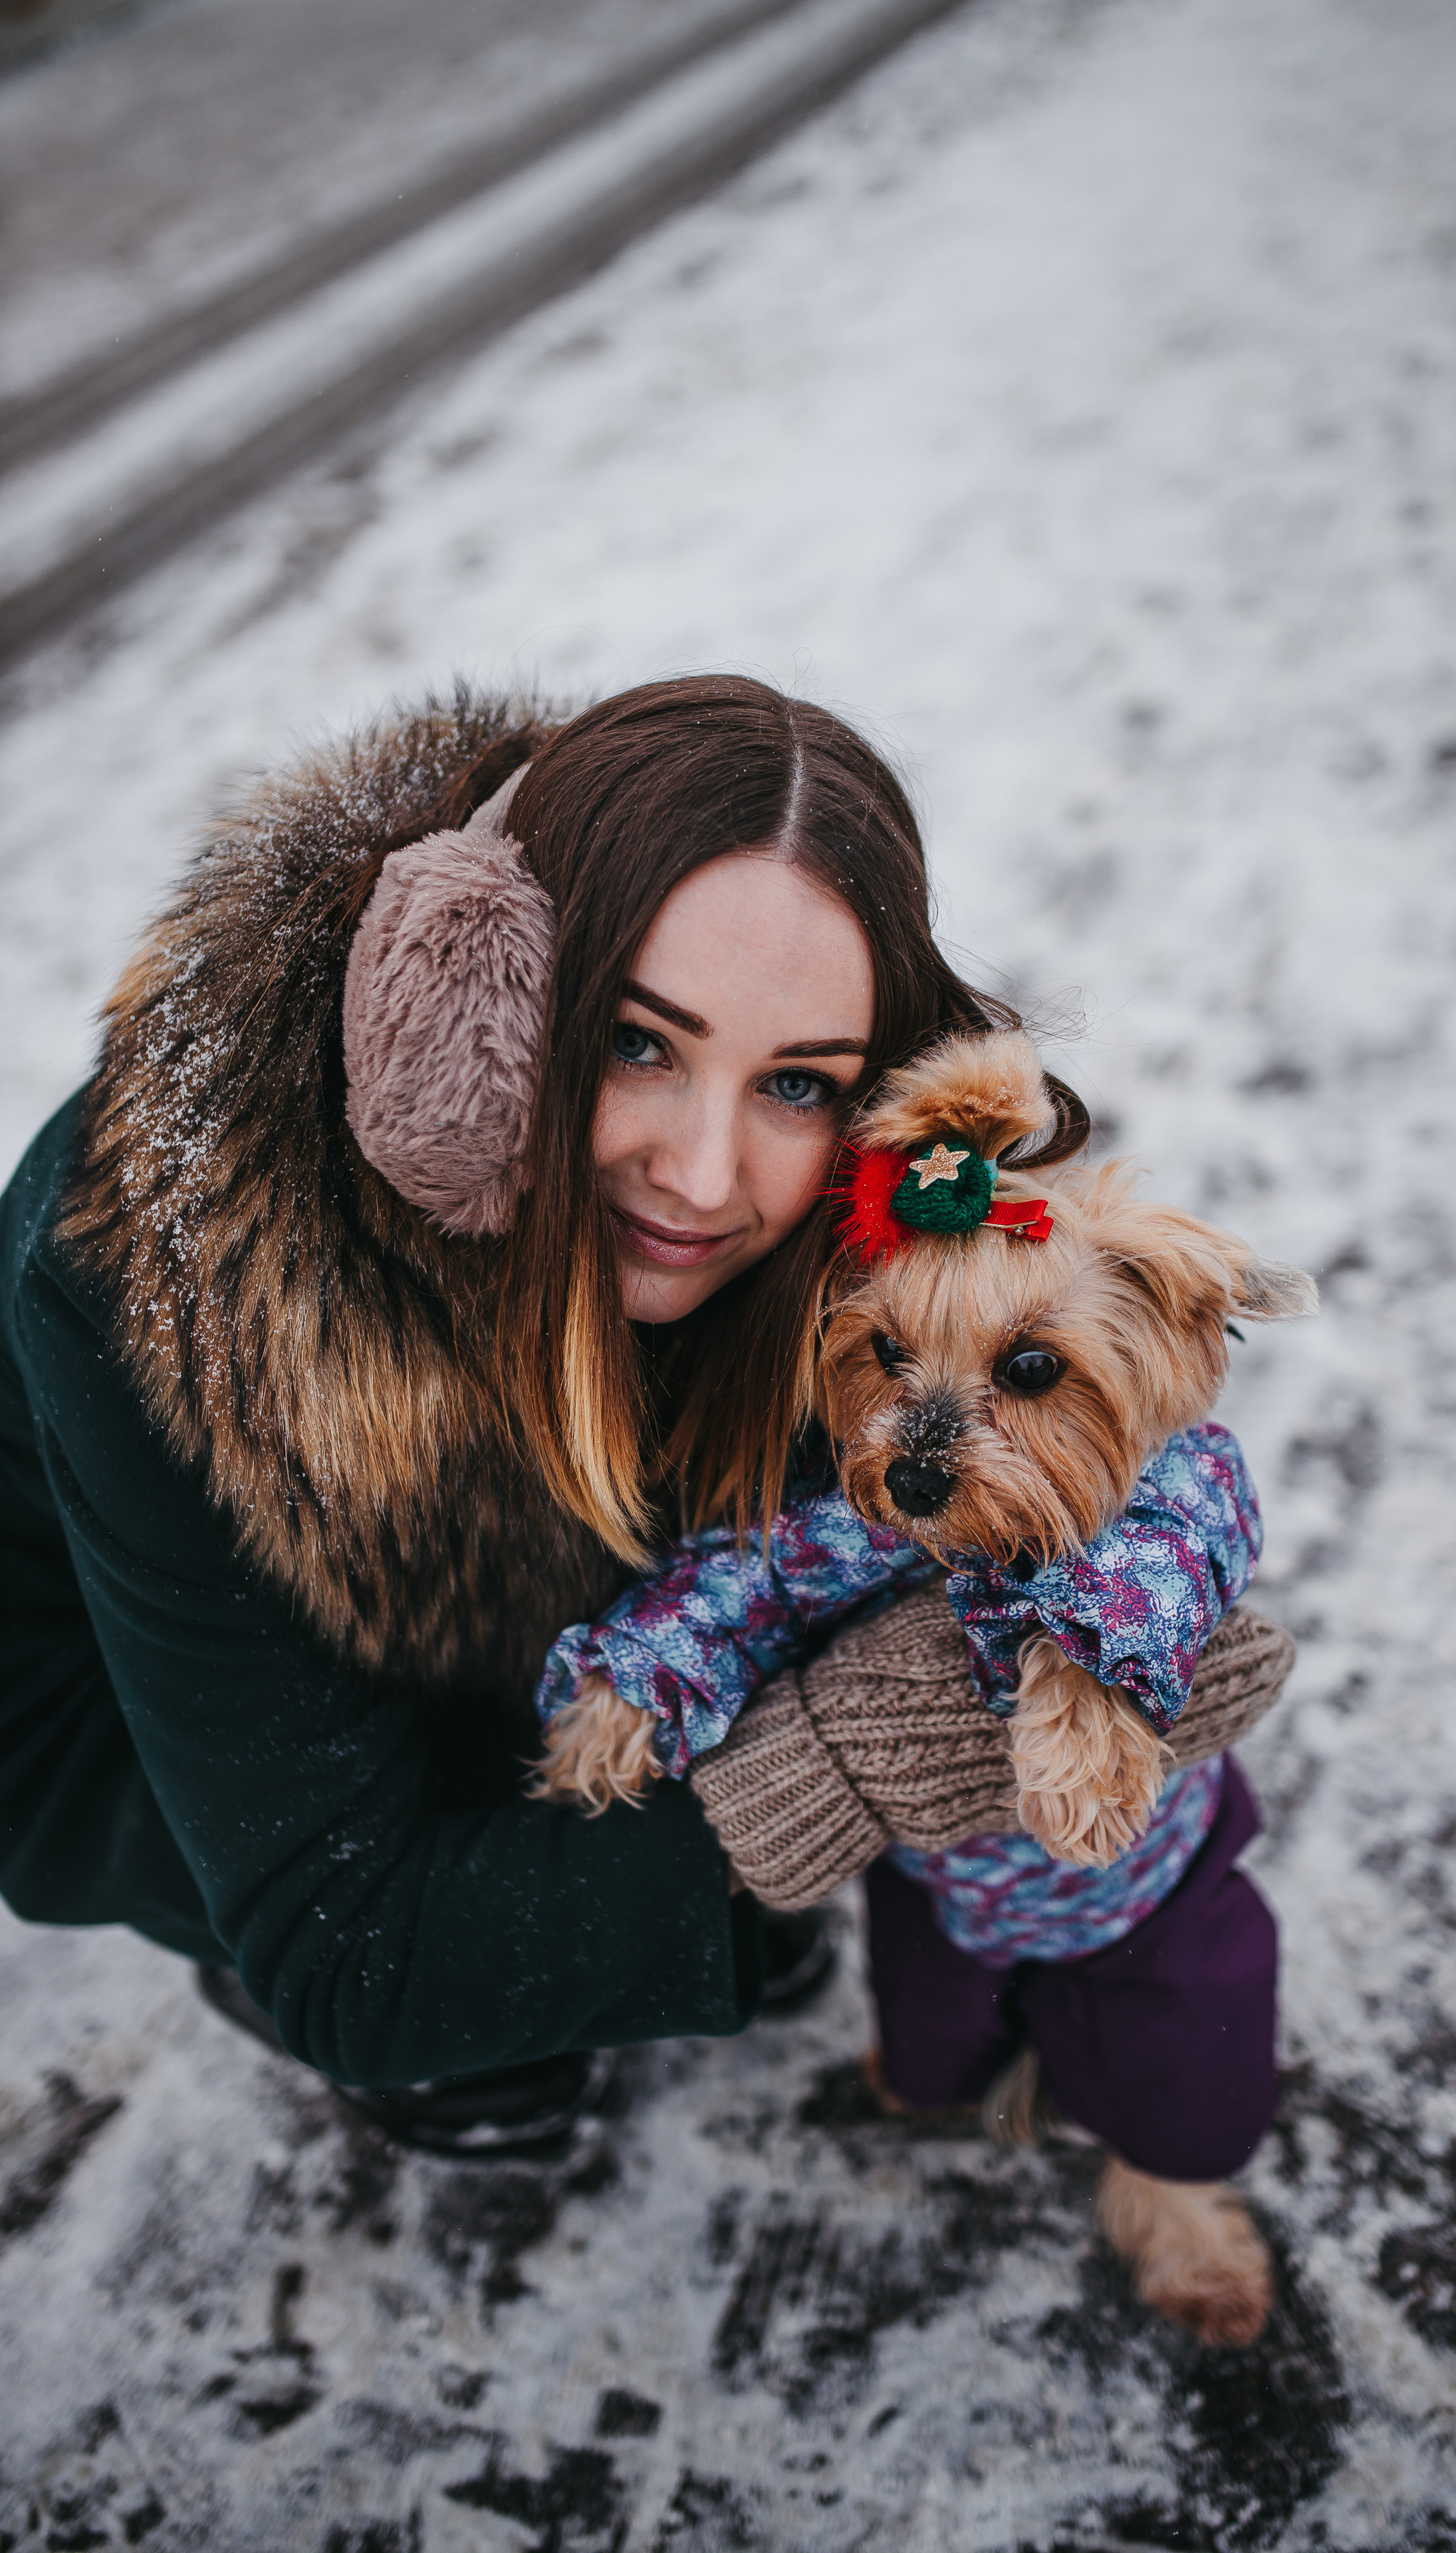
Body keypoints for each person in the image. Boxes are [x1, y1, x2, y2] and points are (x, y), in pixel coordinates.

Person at [0, 675, 1023, 2154]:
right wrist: (808, 1780)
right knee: (471, 2005)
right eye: (634, 1042)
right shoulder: (150, 1275)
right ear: (467, 1005)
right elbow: (350, 1946)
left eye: (797, 1083)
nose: (701, 1174)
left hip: (528, 1582)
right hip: (121, 1694)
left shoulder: (829, 1197)